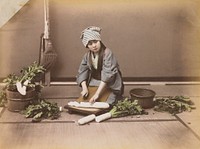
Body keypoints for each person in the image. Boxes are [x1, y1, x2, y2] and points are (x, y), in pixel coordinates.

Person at [76, 26, 124, 104]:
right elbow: (82, 72)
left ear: (100, 41)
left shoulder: (108, 53)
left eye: (95, 42)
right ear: (87, 46)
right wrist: (84, 88)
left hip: (110, 82)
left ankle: (112, 95)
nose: (94, 45)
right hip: (96, 81)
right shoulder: (87, 56)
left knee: (107, 102)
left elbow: (107, 75)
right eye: (90, 44)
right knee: (87, 99)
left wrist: (97, 94)